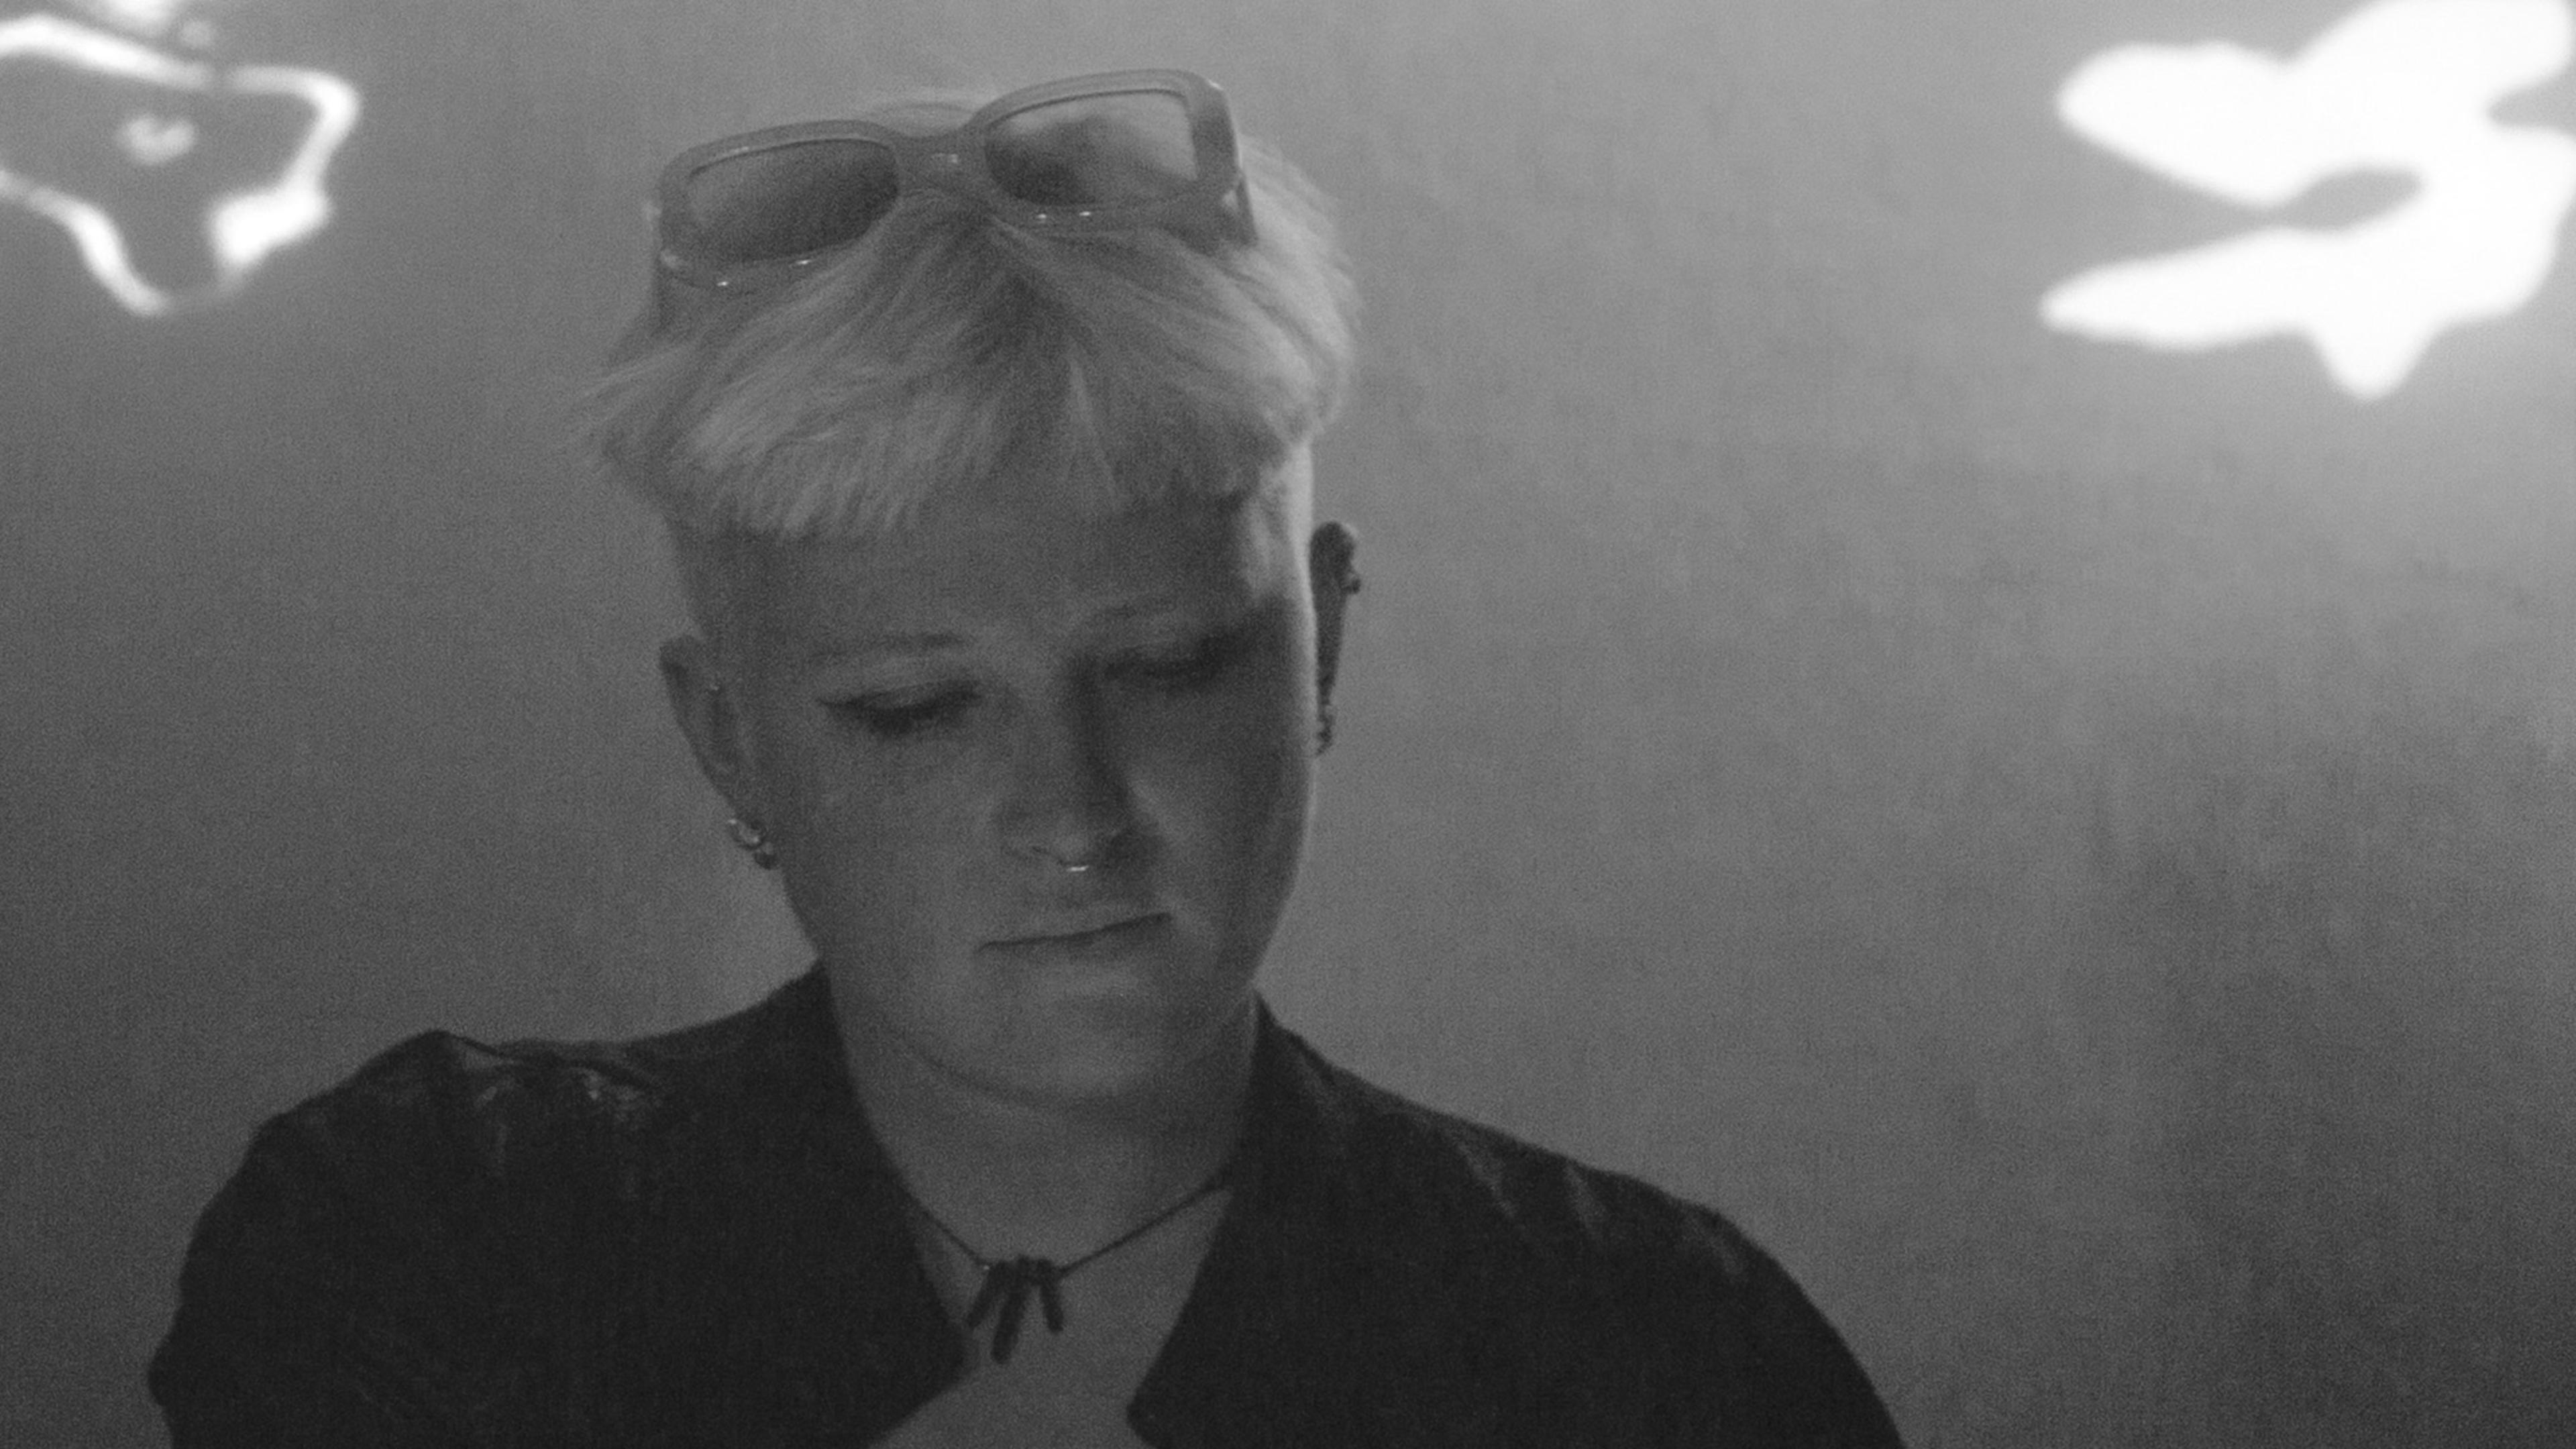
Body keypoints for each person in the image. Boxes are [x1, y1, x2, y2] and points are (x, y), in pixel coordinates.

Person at [148, 69, 1904, 1447]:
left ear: (1321, 641)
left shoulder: (1654, 1357)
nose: (1073, 815)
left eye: (1168, 667)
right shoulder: (435, 1239)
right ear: (731, 744)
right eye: (917, 708)